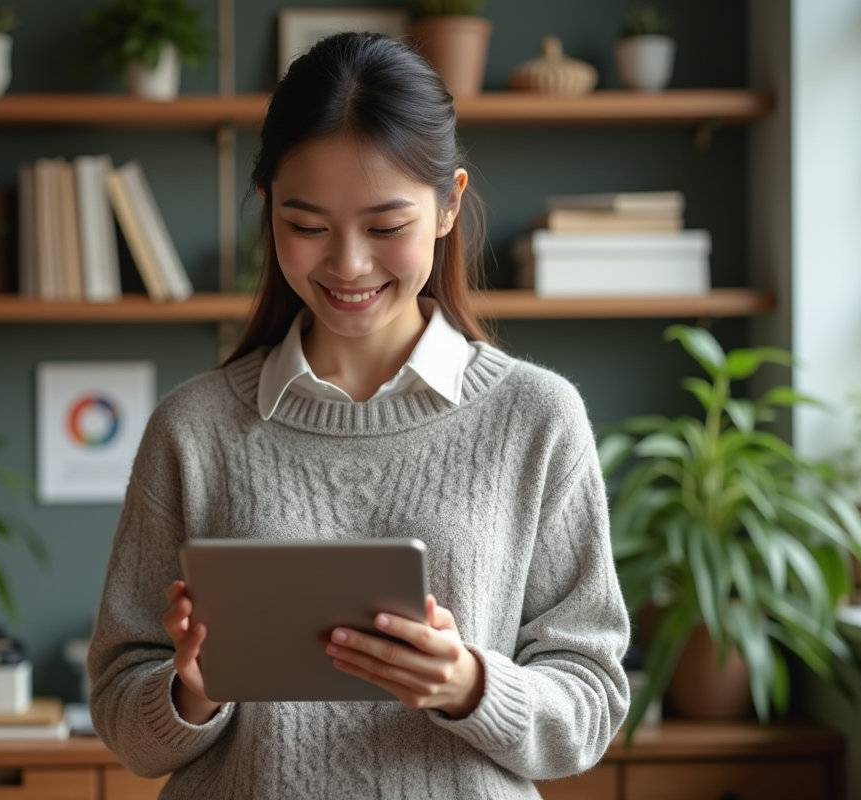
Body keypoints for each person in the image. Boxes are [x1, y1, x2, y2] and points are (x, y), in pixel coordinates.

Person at [88, 31, 630, 799]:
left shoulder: (536, 419)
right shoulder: (194, 428)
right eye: (306, 226)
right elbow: (122, 715)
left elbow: (592, 702)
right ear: (266, 205)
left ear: (449, 206)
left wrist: (470, 683)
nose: (347, 264)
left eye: (385, 227)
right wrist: (191, 691)